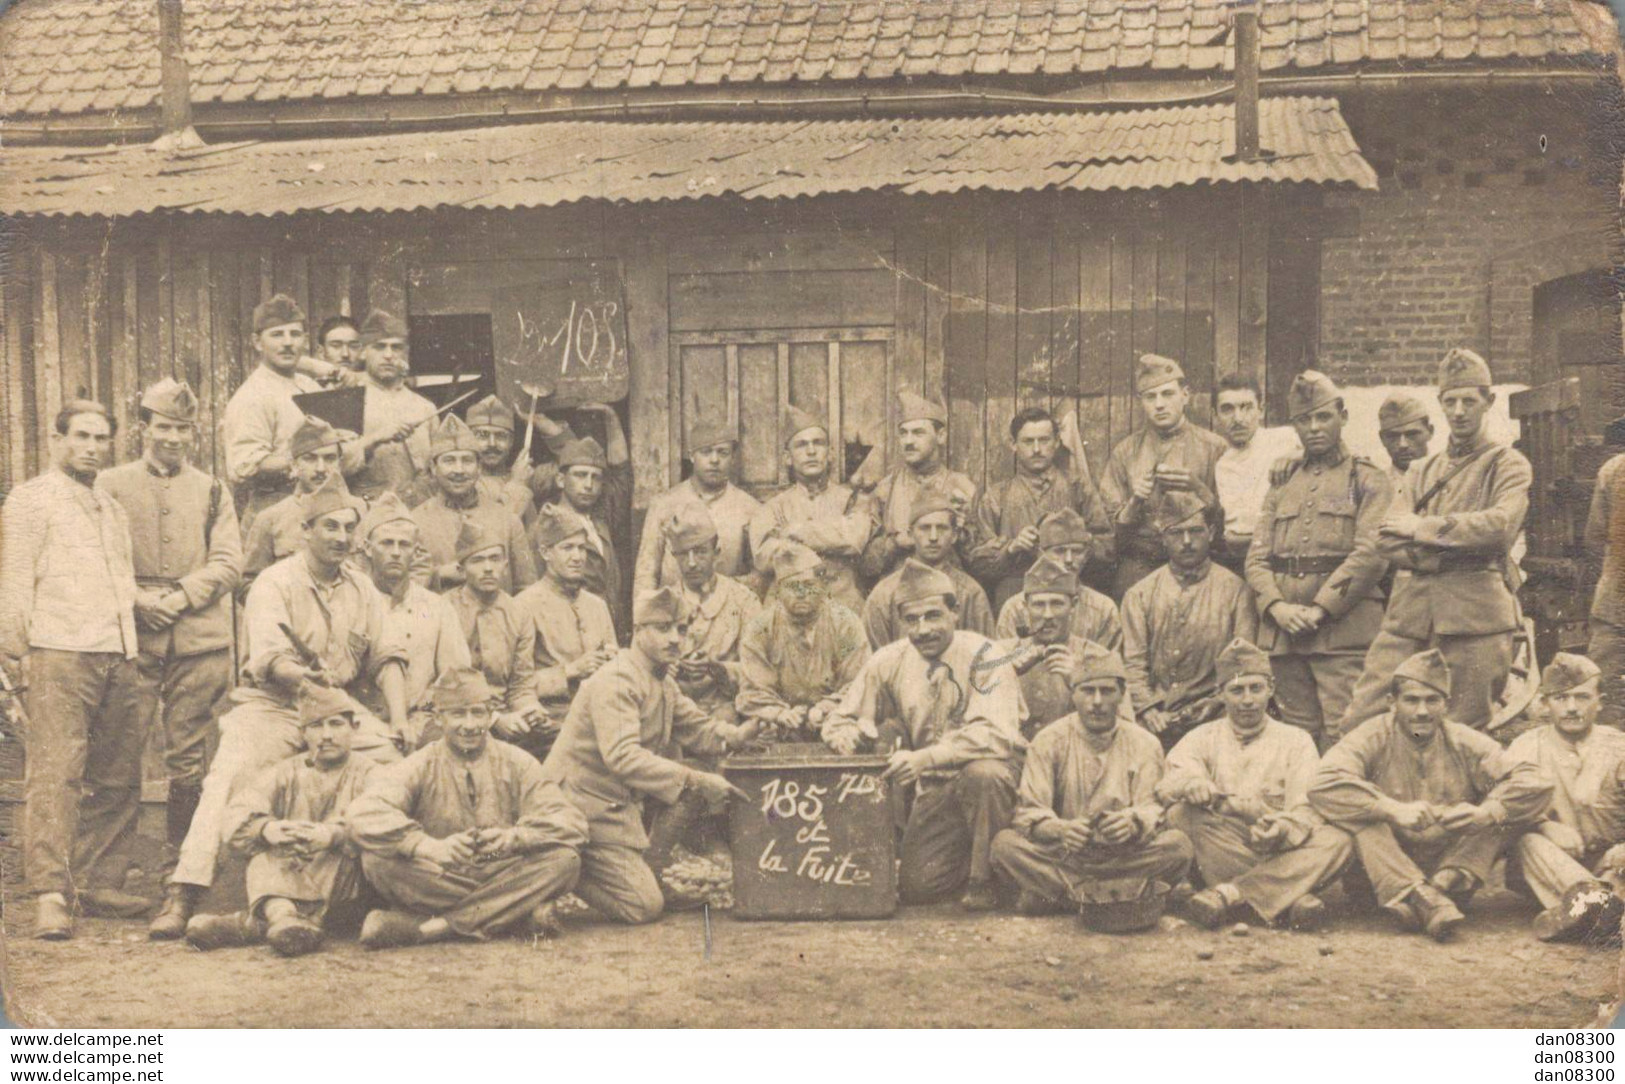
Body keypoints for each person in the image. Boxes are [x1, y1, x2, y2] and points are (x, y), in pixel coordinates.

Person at [150, 487, 410, 940]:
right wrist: (305, 677)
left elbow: (386, 656)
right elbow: (270, 659)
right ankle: (185, 889)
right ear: (305, 531)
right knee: (230, 774)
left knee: (395, 764)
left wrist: (401, 718)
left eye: (350, 527)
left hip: (335, 707)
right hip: (275, 705)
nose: (341, 536)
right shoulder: (275, 581)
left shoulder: (362, 587)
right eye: (330, 526)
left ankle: (397, 895)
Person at [0, 401, 147, 940]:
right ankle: (50, 894)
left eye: (101, 438)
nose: (91, 446)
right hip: (58, 651)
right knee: (56, 772)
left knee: (116, 774)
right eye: (81, 436)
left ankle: (99, 881)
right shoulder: (32, 499)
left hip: (118, 652)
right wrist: (17, 656)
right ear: (58, 439)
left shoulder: (111, 507)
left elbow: (121, 584)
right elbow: (14, 581)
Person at [1337, 348, 1532, 734]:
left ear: (1488, 402)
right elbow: (1384, 538)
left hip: (1475, 622)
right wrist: (1448, 556)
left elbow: (1498, 527)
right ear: (1441, 404)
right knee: (1360, 722)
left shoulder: (1507, 464)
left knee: (1461, 733)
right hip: (1409, 619)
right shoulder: (1422, 470)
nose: (1459, 411)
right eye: (1450, 401)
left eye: (1469, 401)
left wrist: (1421, 529)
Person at [823, 560, 1027, 910]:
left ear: (955, 613)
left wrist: (925, 757)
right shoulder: (891, 659)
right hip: (936, 787)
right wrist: (844, 732)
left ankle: (986, 878)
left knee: (984, 774)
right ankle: (977, 858)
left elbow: (995, 735)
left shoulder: (986, 655)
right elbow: (844, 713)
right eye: (911, 620)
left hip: (999, 781)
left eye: (933, 616)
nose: (923, 629)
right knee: (919, 888)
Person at [541, 588, 754, 923]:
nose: (675, 639)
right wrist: (698, 779)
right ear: (638, 632)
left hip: (614, 803)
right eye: (663, 628)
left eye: (682, 629)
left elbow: (698, 729)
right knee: (644, 907)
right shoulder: (617, 680)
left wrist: (739, 735)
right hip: (579, 807)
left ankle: (645, 869)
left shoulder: (660, 679)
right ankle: (568, 869)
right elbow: (622, 757)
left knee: (693, 775)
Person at [1310, 649, 1552, 941]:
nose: (1422, 711)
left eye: (1432, 700)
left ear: (1445, 705)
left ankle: (1435, 891)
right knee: (1361, 815)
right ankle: (1417, 895)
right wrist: (1388, 808)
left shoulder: (1464, 741)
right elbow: (1321, 783)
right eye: (1411, 700)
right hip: (1379, 877)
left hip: (1451, 873)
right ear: (1392, 703)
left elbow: (1536, 781)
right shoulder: (1370, 736)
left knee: (1505, 812)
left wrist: (1486, 812)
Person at [98, 379, 243, 864]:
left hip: (198, 641)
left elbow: (227, 563)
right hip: (132, 638)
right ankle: (109, 872)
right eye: (163, 427)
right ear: (144, 428)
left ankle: (181, 867)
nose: (174, 438)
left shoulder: (213, 489)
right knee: (120, 751)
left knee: (189, 758)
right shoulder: (111, 485)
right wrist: (137, 598)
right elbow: (98, 557)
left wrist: (180, 597)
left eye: (183, 429)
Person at [349, 667, 589, 948]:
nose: (470, 724)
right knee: (377, 862)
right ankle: (513, 913)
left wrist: (514, 838)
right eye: (458, 714)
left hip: (501, 869)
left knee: (565, 861)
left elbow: (572, 822)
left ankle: (432, 928)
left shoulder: (517, 762)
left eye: (478, 713)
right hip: (442, 875)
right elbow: (363, 813)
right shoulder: (420, 764)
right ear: (439, 718)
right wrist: (425, 846)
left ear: (489, 715)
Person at [1160, 640, 1352, 931]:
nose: (1247, 700)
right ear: (1220, 694)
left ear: (1271, 689)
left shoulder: (1296, 740)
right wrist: (1193, 783)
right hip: (1226, 846)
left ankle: (1231, 895)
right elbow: (1169, 781)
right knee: (1180, 815)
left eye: (1255, 688)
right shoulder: (1202, 736)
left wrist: (1282, 828)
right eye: (1236, 690)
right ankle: (1287, 899)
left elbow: (1307, 809)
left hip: (1281, 848)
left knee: (1339, 839)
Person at [989, 643, 1193, 915]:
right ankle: (1117, 896)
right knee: (1004, 846)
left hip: (1124, 856)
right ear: (1073, 695)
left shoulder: (1145, 743)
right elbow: (1029, 813)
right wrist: (1061, 829)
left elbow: (1152, 809)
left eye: (1107, 691)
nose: (1097, 701)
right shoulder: (1049, 740)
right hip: (1067, 855)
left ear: (1121, 694)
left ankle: (1061, 896)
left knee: (1178, 846)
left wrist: (1132, 822)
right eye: (1087, 690)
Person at [1245, 371, 1392, 748]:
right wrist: (1276, 607)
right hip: (1284, 636)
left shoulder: (1367, 478)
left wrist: (1321, 608)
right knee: (1295, 738)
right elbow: (1257, 558)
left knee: (1346, 733)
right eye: (1303, 420)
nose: (1313, 428)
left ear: (1342, 416)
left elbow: (1372, 554)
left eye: (1323, 417)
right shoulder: (1283, 480)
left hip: (1343, 633)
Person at [184, 684, 376, 956]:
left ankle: (256, 924)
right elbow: (238, 812)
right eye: (316, 726)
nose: (327, 736)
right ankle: (284, 920)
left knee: (342, 858)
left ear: (354, 728)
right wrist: (267, 829)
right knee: (266, 854)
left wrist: (332, 835)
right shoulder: (285, 772)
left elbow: (384, 821)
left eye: (336, 725)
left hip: (342, 883)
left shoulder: (371, 773)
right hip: (291, 866)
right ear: (303, 733)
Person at [1505, 654, 1625, 941]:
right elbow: (1504, 807)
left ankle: (1586, 914)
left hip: (1610, 860)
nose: (1571, 708)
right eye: (1560, 698)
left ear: (1600, 701)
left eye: (1582, 697)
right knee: (1528, 842)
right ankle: (1598, 905)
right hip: (1550, 868)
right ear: (1545, 704)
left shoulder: (1618, 746)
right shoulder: (1526, 747)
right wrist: (1543, 825)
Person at [1121, 490, 1257, 743]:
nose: (1186, 541)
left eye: (1195, 531)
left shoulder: (1236, 591)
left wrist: (1217, 702)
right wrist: (1148, 709)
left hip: (1218, 717)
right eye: (1176, 533)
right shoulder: (1139, 595)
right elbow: (1133, 664)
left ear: (1212, 533)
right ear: (1163, 538)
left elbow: (1243, 663)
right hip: (1154, 719)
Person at [221, 294, 359, 527]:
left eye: (295, 334)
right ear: (257, 342)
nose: (287, 342)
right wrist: (300, 458)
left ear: (304, 341)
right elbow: (244, 467)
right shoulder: (252, 396)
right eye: (277, 334)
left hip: (317, 510)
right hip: (273, 510)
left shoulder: (308, 385)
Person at [1099, 354, 1229, 598]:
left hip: (1198, 568)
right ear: (1141, 402)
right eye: (1150, 397)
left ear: (1185, 395)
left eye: (1167, 394)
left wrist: (1198, 489)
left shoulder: (1214, 447)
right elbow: (1109, 533)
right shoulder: (1125, 452)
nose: (1159, 404)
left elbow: (1230, 521)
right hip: (1140, 566)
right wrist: (1135, 501)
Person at [968, 406, 1108, 613]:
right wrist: (1011, 548)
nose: (1036, 449)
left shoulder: (1078, 487)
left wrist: (1077, 542)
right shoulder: (996, 496)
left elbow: (1108, 548)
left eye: (1044, 440)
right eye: (1028, 441)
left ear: (1057, 442)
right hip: (1017, 590)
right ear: (1013, 444)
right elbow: (977, 562)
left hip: (1070, 590)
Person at [357, 494, 470, 748]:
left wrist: (427, 718)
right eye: (386, 543)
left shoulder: (437, 607)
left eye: (404, 545)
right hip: (365, 723)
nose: (396, 553)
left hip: (423, 722)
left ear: (416, 551)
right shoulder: (352, 601)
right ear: (366, 548)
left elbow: (455, 675)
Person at [736, 543, 870, 741]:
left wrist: (826, 709)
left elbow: (860, 683)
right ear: (778, 591)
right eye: (791, 586)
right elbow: (753, 691)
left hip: (836, 718)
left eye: (808, 585)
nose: (801, 593)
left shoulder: (846, 624)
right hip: (779, 724)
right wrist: (779, 713)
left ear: (822, 587)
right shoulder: (760, 629)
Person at [749, 406, 876, 614]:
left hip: (843, 607)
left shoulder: (852, 498)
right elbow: (764, 557)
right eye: (801, 445)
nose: (811, 451)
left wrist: (795, 531)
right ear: (787, 458)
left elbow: (855, 539)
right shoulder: (773, 507)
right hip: (790, 610)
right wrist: (833, 536)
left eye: (818, 443)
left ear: (831, 454)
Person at [446, 521, 548, 757]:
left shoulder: (518, 613)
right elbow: (444, 684)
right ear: (461, 570)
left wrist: (530, 710)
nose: (488, 568)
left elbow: (521, 684)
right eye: (478, 561)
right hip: (457, 714)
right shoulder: (444, 610)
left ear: (505, 566)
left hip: (507, 716)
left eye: (494, 559)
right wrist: (493, 720)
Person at [528, 403, 632, 636]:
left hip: (608, 627)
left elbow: (621, 473)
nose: (588, 485)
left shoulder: (600, 520)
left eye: (595, 478)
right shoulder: (545, 525)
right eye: (580, 475)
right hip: (566, 631)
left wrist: (612, 419)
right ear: (561, 480)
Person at [514, 504, 617, 730]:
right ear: (546, 553)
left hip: (601, 717)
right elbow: (514, 686)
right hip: (552, 723)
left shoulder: (596, 605)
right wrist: (571, 671)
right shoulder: (524, 606)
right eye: (567, 548)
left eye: (582, 548)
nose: (577, 557)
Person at [1001, 554, 1131, 732]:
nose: (1048, 615)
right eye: (1039, 605)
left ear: (1073, 606)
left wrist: (1080, 679)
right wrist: (1006, 674)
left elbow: (1125, 728)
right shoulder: (1001, 653)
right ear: (1025, 607)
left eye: (1056, 604)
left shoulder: (1099, 657)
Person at [634, 417, 761, 596]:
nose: (714, 460)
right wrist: (647, 616)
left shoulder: (750, 509)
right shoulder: (663, 504)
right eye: (706, 452)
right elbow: (646, 573)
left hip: (727, 612)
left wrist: (724, 588)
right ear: (692, 455)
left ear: (732, 457)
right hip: (673, 612)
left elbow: (759, 574)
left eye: (722, 453)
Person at [412, 413, 537, 594]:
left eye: (467, 461)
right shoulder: (415, 522)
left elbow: (527, 589)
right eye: (449, 461)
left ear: (479, 467)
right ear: (433, 468)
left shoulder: (507, 520)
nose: (459, 470)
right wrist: (437, 576)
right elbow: (402, 588)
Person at [860, 391, 977, 579]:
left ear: (941, 436)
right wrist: (896, 543)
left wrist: (961, 534)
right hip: (897, 592)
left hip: (948, 592)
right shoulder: (885, 490)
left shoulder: (964, 488)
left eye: (918, 433)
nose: (908, 442)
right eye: (903, 434)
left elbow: (980, 563)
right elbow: (866, 566)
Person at [662, 504, 761, 724]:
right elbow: (642, 667)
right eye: (683, 554)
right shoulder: (662, 604)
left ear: (716, 553)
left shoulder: (743, 601)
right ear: (673, 557)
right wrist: (669, 668)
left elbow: (761, 671)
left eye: (699, 552)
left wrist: (719, 670)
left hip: (727, 708)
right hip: (673, 710)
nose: (691, 563)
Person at [863, 492, 993, 649]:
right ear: (911, 535)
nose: (933, 537)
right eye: (924, 528)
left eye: (941, 528)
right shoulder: (884, 594)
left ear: (954, 535)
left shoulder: (970, 593)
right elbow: (875, 659)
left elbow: (985, 653)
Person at [241, 414, 353, 588]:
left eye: (329, 458)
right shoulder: (270, 519)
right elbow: (247, 584)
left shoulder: (359, 512)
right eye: (310, 458)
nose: (321, 468)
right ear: (293, 465)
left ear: (339, 463)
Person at [992, 507, 1122, 650]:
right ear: (1040, 553)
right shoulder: (1015, 610)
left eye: (1077, 551)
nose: (1069, 559)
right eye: (1059, 551)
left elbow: (1110, 667)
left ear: (1086, 555)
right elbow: (1003, 665)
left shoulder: (1103, 609)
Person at [1212, 373, 1301, 577]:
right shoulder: (1224, 465)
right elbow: (1235, 539)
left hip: (1294, 563)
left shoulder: (1286, 439)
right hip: (1251, 565)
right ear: (1214, 416)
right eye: (1227, 409)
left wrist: (1299, 455)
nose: (1238, 418)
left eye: (1246, 407)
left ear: (1261, 410)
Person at [346, 310, 437, 502]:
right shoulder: (348, 401)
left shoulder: (424, 407)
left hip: (420, 511)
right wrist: (375, 438)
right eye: (379, 347)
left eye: (396, 348)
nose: (388, 355)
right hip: (368, 512)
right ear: (363, 351)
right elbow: (333, 467)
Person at [1583, 441, 1625, 726]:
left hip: (1615, 601)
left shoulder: (1614, 469)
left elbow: (1595, 539)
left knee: (1603, 693)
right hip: (1615, 602)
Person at [465, 394, 537, 526]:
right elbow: (492, 534)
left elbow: (573, 463)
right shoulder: (461, 484)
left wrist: (551, 429)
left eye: (501, 436)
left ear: (511, 442)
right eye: (482, 435)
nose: (492, 443)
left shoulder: (527, 476)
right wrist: (517, 486)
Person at [1377, 391, 1435, 486]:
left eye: (1412, 434)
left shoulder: (1450, 479)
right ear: (1382, 439)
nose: (1402, 445)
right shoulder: (1375, 485)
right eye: (1393, 436)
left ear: (1430, 431)